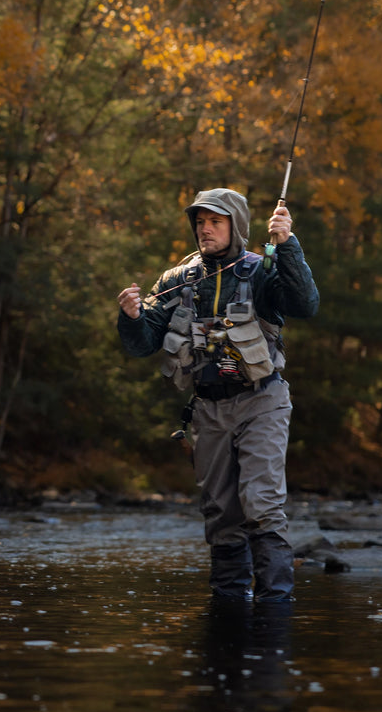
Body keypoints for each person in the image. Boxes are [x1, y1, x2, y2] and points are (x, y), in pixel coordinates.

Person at [116, 188, 319, 601]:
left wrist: (288, 244)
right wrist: (132, 318)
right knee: (221, 514)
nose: (205, 229)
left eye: (215, 221)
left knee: (261, 505)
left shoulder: (264, 269)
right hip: (208, 409)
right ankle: (228, 609)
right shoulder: (177, 280)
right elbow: (142, 344)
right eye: (200, 222)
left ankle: (274, 608)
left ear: (237, 226)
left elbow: (305, 305)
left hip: (262, 401)